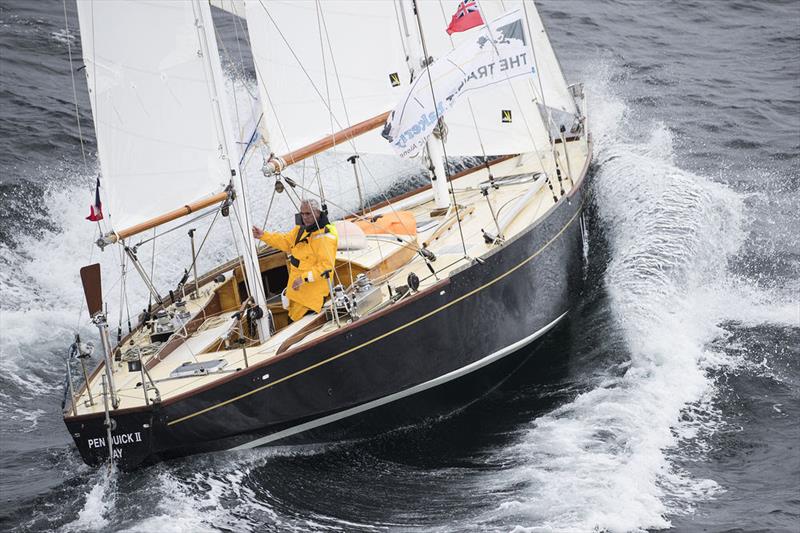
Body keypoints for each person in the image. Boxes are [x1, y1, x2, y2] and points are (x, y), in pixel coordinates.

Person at [251, 199, 338, 322]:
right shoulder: (301, 230)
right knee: (290, 322)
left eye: (308, 214)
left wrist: (303, 279)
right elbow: (285, 241)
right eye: (302, 214)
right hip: (296, 294)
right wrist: (263, 236)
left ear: (317, 213)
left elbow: (326, 267)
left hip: (310, 299)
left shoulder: (325, 236)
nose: (304, 217)